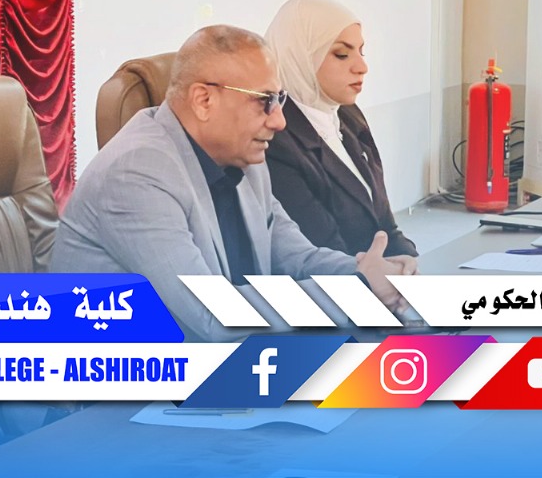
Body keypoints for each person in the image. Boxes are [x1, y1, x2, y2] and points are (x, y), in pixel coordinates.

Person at [51, 25, 417, 342]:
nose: (279, 121)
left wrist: (366, 273)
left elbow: (296, 257)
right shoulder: (136, 173)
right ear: (204, 100)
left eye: (280, 100)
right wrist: (357, 294)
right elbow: (212, 316)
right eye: (265, 101)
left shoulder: (242, 155)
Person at [264, 0, 419, 259]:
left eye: (361, 52)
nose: (362, 67)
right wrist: (382, 275)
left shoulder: (348, 115)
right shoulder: (276, 138)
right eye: (342, 54)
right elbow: (321, 252)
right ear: (300, 56)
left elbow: (386, 228)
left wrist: (410, 264)